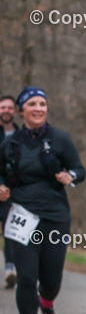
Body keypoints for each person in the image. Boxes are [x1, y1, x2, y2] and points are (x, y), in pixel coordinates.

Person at [0, 87, 86, 314]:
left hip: (55, 217)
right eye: (33, 104)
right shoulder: (10, 144)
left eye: (43, 104)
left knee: (51, 279)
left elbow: (80, 170)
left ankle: (47, 306)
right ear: (22, 110)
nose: (39, 108)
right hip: (21, 214)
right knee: (26, 276)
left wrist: (70, 176)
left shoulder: (60, 138)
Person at [0, 94, 19, 288]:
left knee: (9, 232)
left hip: (9, 193)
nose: (6, 111)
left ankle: (10, 270)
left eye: (9, 108)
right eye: (2, 107)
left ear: (15, 111)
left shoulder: (20, 135)